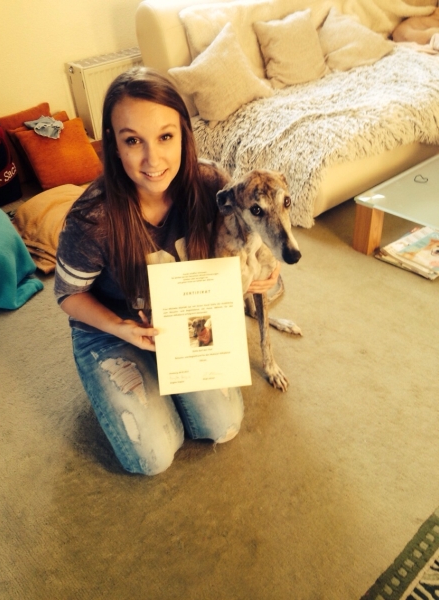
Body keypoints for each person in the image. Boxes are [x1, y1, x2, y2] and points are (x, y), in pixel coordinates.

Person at [54, 67, 280, 475]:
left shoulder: (212, 184)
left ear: (183, 135)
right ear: (113, 144)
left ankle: (162, 378)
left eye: (165, 137)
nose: (152, 160)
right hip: (111, 328)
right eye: (132, 141)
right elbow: (68, 295)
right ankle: (116, 377)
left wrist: (266, 269)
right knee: (153, 456)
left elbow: (255, 230)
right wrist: (122, 328)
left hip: (187, 316)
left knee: (223, 425)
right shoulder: (91, 218)